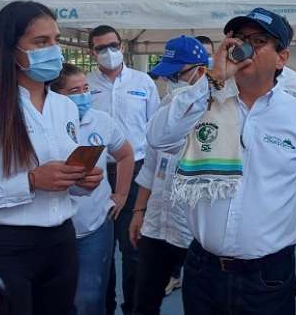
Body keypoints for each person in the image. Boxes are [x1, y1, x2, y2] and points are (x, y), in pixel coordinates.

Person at [147, 8, 296, 315]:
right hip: (203, 271)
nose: (244, 47)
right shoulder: (202, 101)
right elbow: (159, 138)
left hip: (268, 278)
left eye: (258, 40)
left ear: (281, 57)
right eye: (239, 39)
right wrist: (211, 80)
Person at [0, 1, 104, 315]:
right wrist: (28, 181)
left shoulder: (65, 106)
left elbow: (63, 180)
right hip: (4, 248)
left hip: (62, 242)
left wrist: (81, 181)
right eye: (40, 42)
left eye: (56, 40)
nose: (54, 50)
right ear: (11, 49)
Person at [129, 36, 207, 315]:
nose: (171, 81)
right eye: (168, 76)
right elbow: (151, 166)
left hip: (193, 228)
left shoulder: (216, 113)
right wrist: (139, 210)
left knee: (199, 303)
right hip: (157, 223)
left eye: (177, 74)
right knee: (144, 302)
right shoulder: (166, 108)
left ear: (201, 71)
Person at [86, 24, 160, 315]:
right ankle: (104, 308)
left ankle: (135, 309)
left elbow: (155, 131)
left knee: (135, 247)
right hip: (95, 173)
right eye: (101, 47)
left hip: (138, 170)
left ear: (121, 46)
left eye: (113, 45)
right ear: (92, 52)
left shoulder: (143, 82)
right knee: (100, 250)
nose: (109, 52)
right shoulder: (84, 86)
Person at [49, 63, 135, 315]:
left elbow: (126, 155)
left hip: (94, 225)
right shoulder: (46, 125)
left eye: (86, 88)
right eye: (74, 91)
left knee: (89, 298)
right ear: (56, 96)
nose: (83, 95)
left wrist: (120, 195)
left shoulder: (101, 121)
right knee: (56, 297)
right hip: (53, 227)